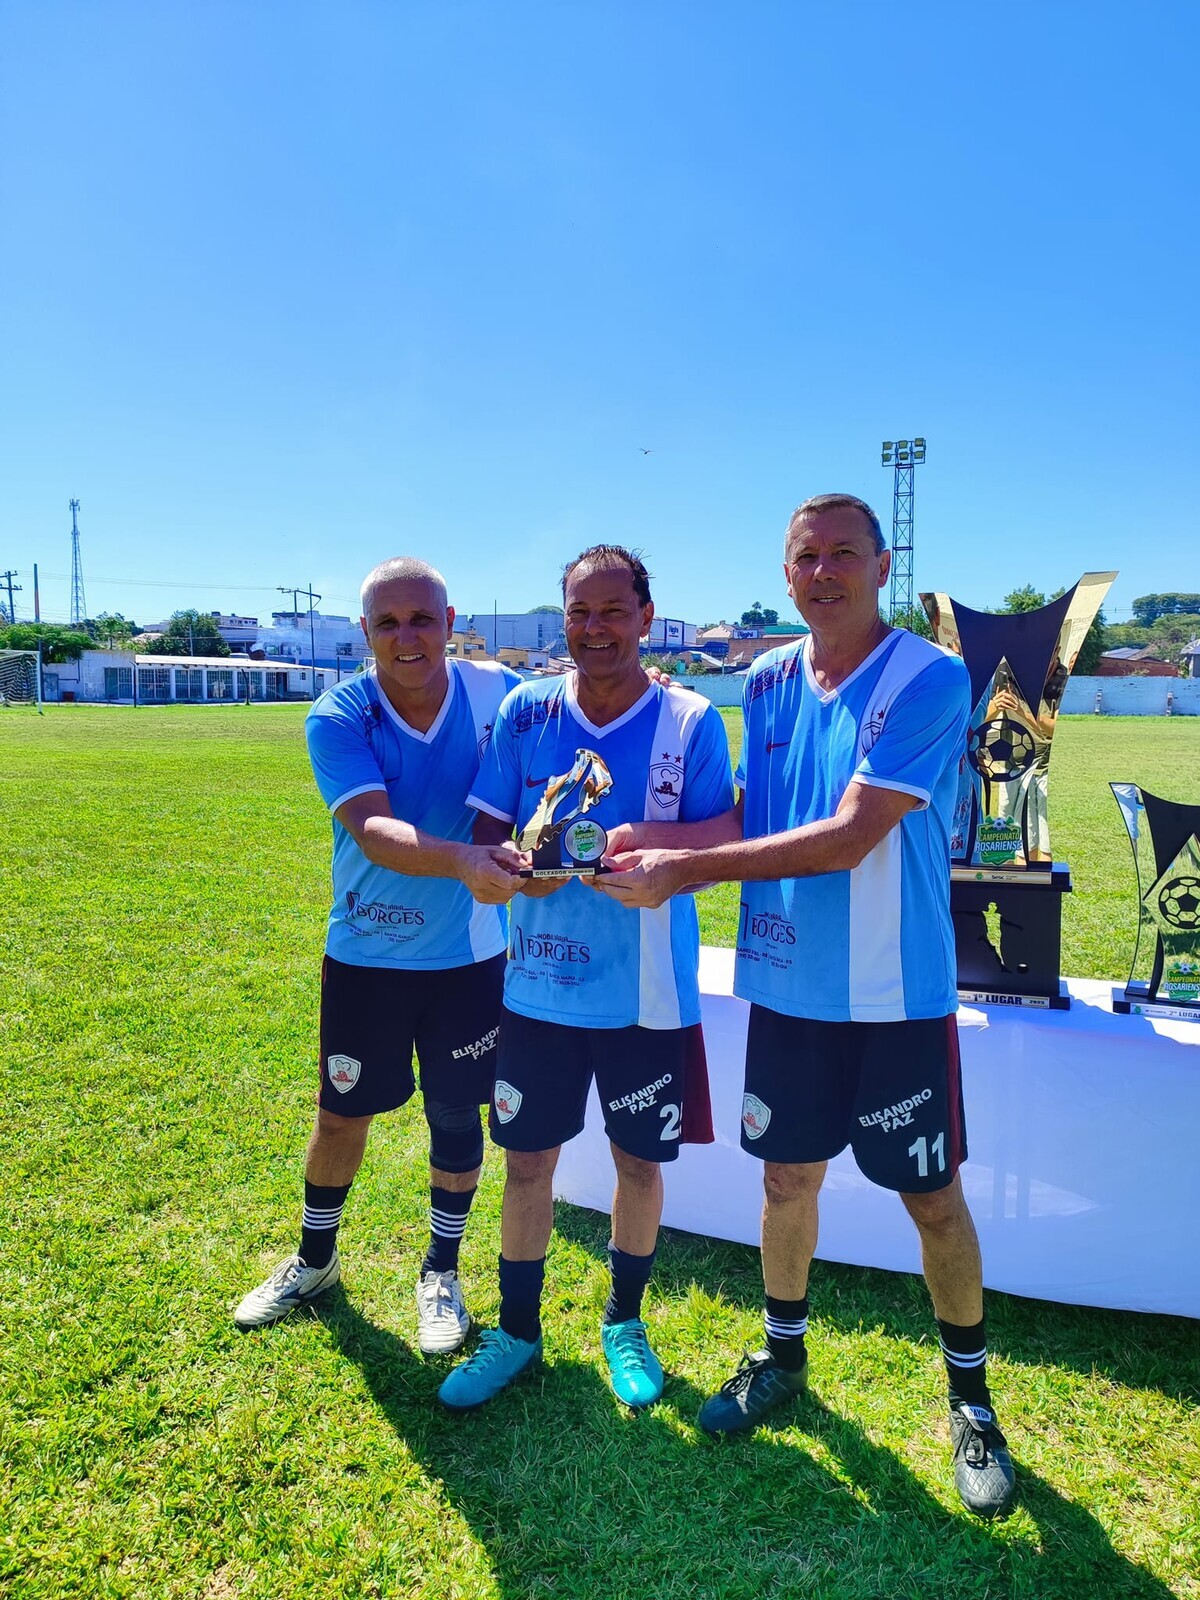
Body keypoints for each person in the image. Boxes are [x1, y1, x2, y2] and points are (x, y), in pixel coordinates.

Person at [594, 496, 1017, 1519]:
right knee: (787, 1181)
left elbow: (849, 834)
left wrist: (683, 874)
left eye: (842, 554)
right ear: (785, 575)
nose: (823, 572)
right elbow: (755, 814)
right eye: (805, 557)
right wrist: (649, 840)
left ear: (882, 566)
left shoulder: (930, 676)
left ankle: (971, 1402)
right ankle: (782, 1356)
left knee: (931, 1198)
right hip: (785, 985)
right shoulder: (768, 678)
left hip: (894, 992)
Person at [436, 545, 734, 1412]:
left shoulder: (689, 719)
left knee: (637, 1164)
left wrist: (658, 854)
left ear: (646, 617)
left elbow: (725, 836)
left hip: (647, 992)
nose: (595, 628)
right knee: (527, 1163)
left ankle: (624, 1322)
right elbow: (490, 828)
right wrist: (503, 867)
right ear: (563, 619)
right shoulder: (527, 711)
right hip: (538, 988)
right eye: (579, 611)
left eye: (612, 610)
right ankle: (517, 1331)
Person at [234, 558, 524, 1353]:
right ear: (364, 631)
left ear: (450, 621)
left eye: (422, 619)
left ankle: (441, 1274)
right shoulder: (339, 714)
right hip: (367, 954)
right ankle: (314, 1260)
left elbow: (574, 720)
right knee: (341, 1114)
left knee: (456, 1115)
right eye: (387, 624)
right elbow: (373, 830)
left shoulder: (501, 693)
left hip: (469, 958)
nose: (407, 638)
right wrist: (463, 860)